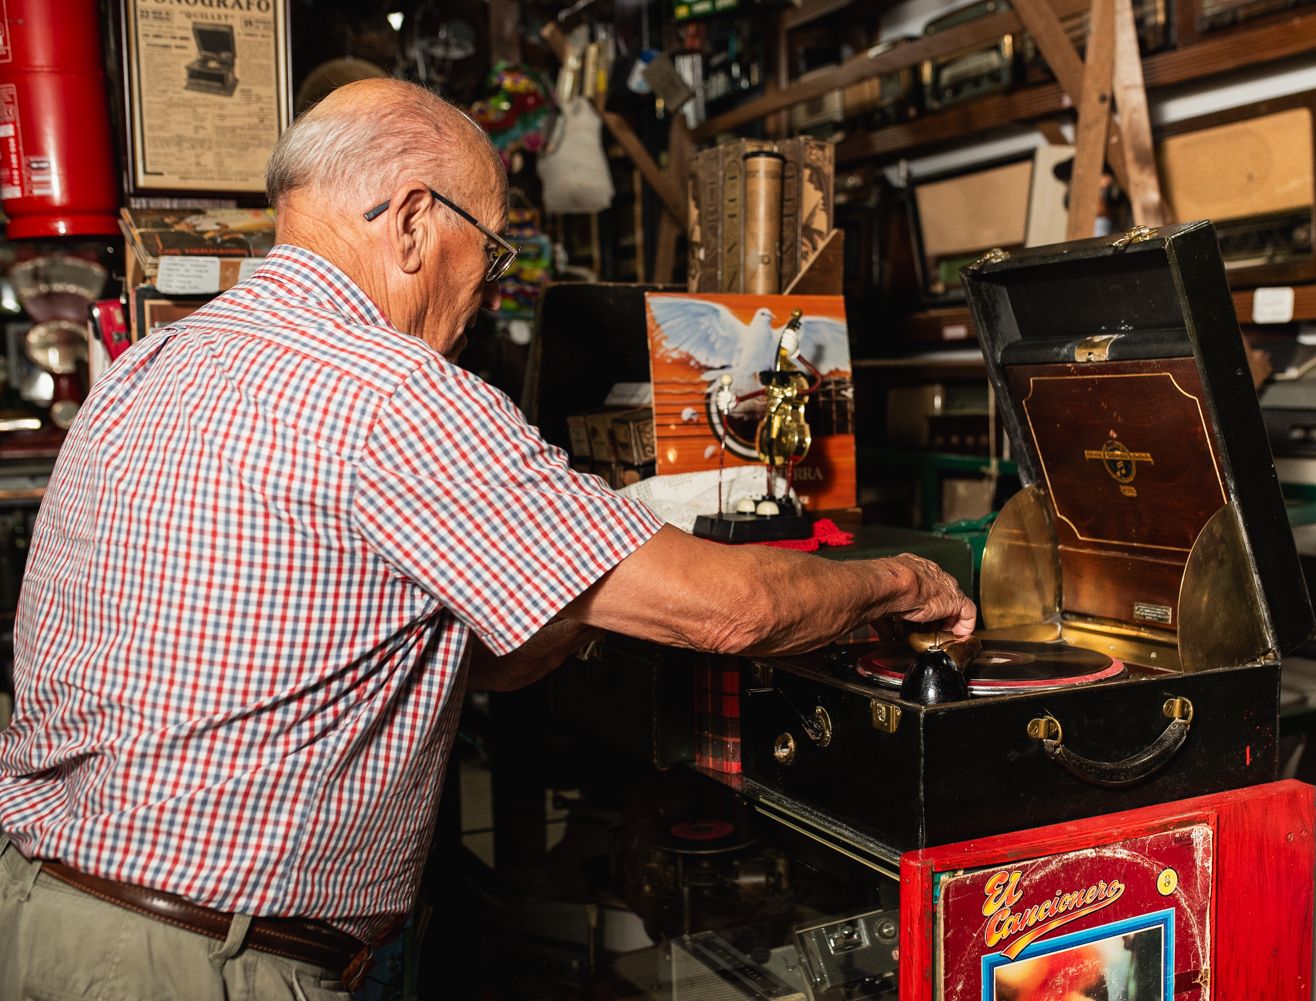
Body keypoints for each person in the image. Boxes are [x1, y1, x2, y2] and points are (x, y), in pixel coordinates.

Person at [0, 79, 973, 998]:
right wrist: (900, 583)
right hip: (197, 964)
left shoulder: (150, 364)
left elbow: (370, 654)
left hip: (37, 911)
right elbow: (735, 609)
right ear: (417, 220)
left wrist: (580, 596)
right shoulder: (394, 393)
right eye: (493, 251)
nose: (491, 291)